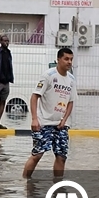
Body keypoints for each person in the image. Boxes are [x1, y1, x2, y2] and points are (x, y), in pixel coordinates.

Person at [22, 47, 77, 179]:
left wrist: (64, 121)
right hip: (44, 123)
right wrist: (35, 119)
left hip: (61, 125)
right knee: (37, 154)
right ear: (58, 60)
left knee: (61, 156)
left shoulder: (71, 79)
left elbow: (71, 101)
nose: (69, 62)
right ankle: (25, 181)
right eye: (66, 59)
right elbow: (35, 96)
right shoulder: (48, 75)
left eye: (71, 59)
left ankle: (57, 185)